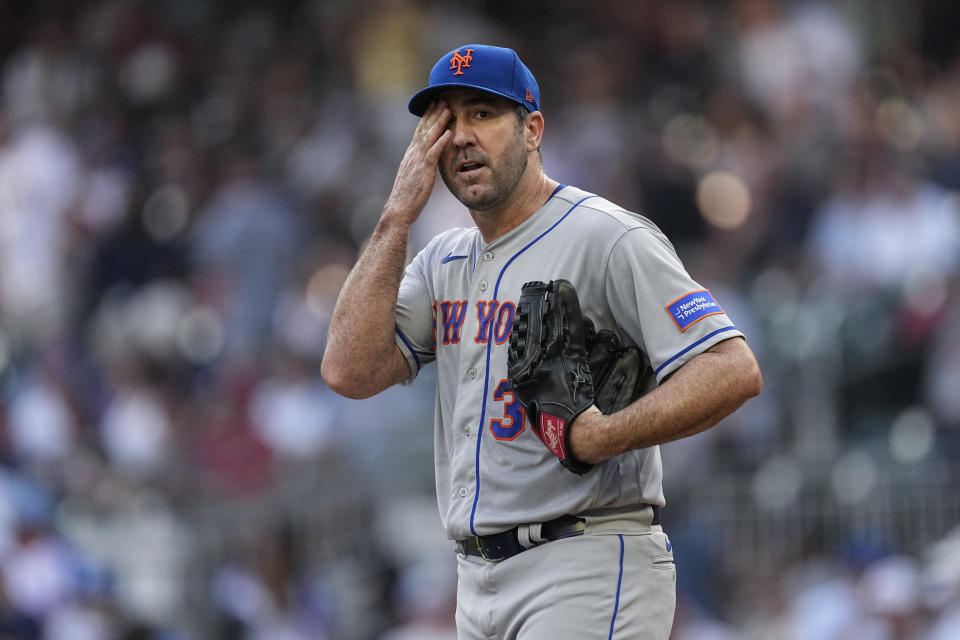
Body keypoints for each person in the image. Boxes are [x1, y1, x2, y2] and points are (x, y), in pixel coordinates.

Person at [321, 44, 762, 639]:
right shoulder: (441, 261)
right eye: (446, 120)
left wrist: (604, 435)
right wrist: (396, 215)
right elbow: (348, 370)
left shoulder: (606, 237)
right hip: (475, 579)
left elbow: (732, 368)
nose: (461, 137)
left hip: (585, 559)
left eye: (482, 114)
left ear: (532, 129)